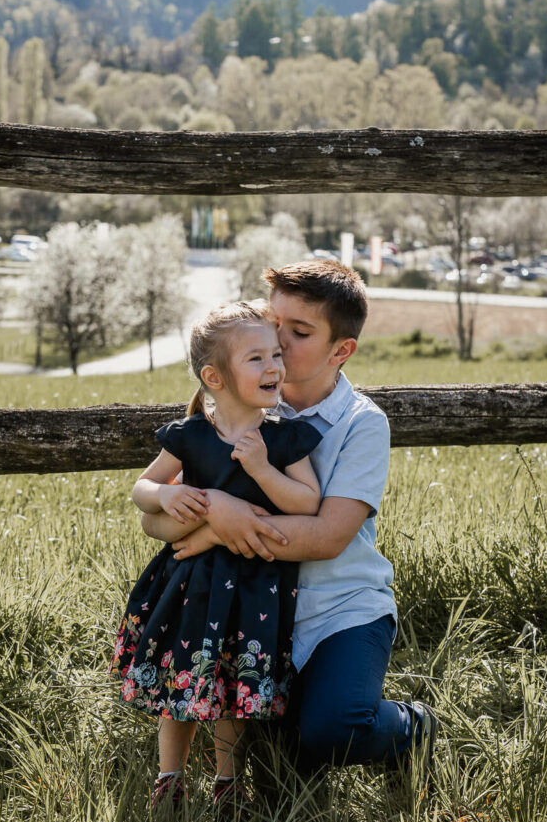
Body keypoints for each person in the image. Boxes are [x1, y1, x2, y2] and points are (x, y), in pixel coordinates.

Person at [143, 260, 436, 779]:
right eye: (272, 323)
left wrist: (218, 525)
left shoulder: (361, 425)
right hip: (251, 614)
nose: (276, 342)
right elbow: (156, 523)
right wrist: (202, 514)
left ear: (340, 349)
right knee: (275, 752)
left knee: (334, 729)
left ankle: (414, 725)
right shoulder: (231, 409)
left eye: (297, 333)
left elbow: (326, 537)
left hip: (339, 610)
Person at [110, 300, 321, 809]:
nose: (275, 367)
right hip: (190, 584)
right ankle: (168, 782)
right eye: (257, 359)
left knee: (229, 684)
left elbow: (309, 501)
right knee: (178, 687)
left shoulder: (283, 437)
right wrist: (164, 496)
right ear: (215, 376)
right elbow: (142, 489)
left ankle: (228, 785)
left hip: (251, 586)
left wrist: (263, 470)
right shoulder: (191, 437)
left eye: (276, 354)